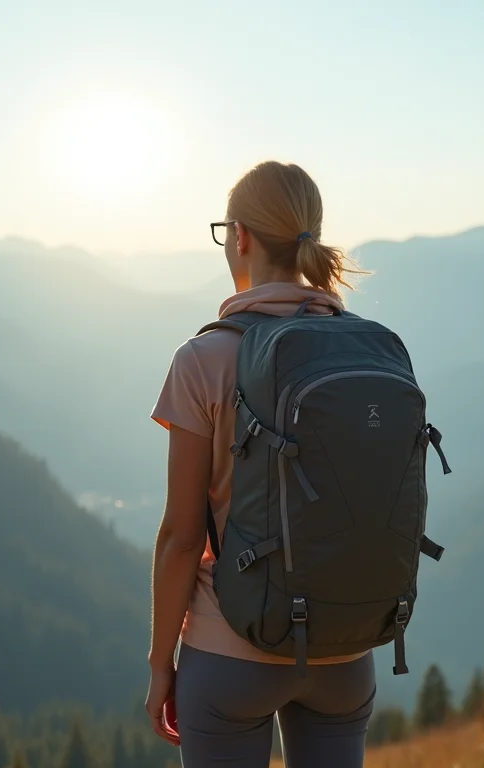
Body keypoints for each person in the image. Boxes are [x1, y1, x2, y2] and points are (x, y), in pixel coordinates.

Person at [146, 160, 376, 768]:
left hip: (231, 652)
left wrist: (160, 663)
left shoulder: (205, 358)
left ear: (241, 237)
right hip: (345, 651)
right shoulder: (364, 349)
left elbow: (180, 536)